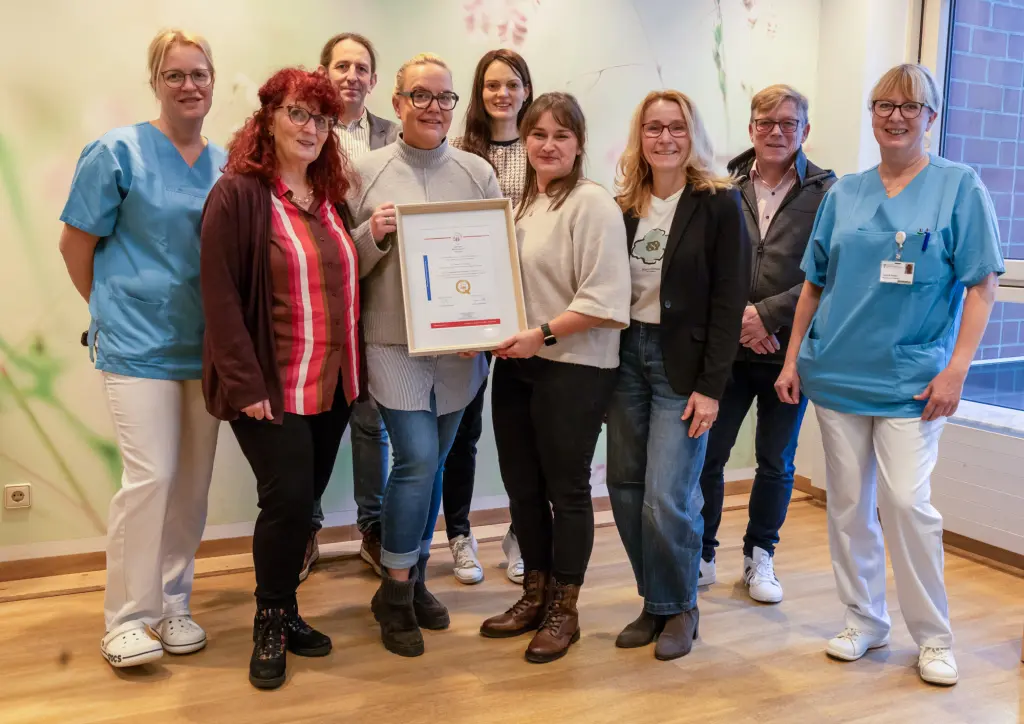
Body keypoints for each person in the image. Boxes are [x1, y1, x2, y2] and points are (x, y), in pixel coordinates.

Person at [775, 64, 1003, 687]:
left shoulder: (960, 187)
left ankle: (932, 637)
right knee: (848, 506)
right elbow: (813, 286)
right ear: (871, 116)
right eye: (883, 105)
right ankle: (863, 620)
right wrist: (794, 359)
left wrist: (957, 371)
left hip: (912, 382)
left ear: (931, 117)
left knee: (907, 504)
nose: (895, 116)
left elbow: (983, 285)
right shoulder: (844, 194)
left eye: (910, 106)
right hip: (838, 375)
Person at [58, 29, 224, 670]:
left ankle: (173, 603)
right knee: (149, 477)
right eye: (175, 74)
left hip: (205, 347)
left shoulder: (228, 163)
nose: (189, 85)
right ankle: (128, 618)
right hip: (136, 346)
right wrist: (111, 312)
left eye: (200, 74)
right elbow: (76, 247)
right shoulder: (116, 151)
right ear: (155, 81)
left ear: (213, 82)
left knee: (191, 485)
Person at [200, 68, 360, 690]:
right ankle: (270, 615)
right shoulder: (238, 195)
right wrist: (246, 387)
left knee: (303, 506)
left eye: (321, 119)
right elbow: (218, 299)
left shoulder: (329, 198)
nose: (310, 128)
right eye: (298, 113)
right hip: (271, 387)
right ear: (268, 117)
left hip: (331, 384)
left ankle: (289, 610)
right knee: (286, 499)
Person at [347, 53, 502, 657]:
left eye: (444, 97)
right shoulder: (364, 172)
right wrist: (374, 234)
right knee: (414, 458)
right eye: (421, 96)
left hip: (460, 349)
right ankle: (394, 586)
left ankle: (408, 581)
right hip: (392, 341)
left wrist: (488, 325)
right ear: (397, 102)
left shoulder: (476, 173)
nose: (433, 108)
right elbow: (343, 269)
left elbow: (496, 263)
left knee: (435, 463)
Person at [479, 92, 631, 663]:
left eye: (560, 135)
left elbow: (605, 298)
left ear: (579, 144)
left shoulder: (592, 205)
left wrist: (539, 334)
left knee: (566, 492)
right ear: (523, 140)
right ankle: (534, 595)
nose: (547, 145)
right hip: (519, 366)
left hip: (574, 368)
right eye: (537, 134)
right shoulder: (521, 206)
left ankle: (564, 608)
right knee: (522, 486)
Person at [606, 91, 748, 661]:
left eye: (676, 128)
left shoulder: (717, 202)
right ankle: (655, 602)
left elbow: (729, 299)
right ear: (639, 136)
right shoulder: (623, 205)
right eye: (654, 128)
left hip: (682, 368)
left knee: (666, 496)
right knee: (624, 489)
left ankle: (683, 605)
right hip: (625, 360)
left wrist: (711, 387)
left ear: (692, 136)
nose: (665, 138)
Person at [698, 85, 836, 603]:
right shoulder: (720, 186)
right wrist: (739, 320)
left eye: (787, 122)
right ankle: (704, 552)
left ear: (804, 130)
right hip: (727, 352)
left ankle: (761, 557)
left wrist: (769, 315)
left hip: (789, 354)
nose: (776, 131)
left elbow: (831, 272)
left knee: (776, 461)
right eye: (765, 121)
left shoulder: (828, 193)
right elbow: (706, 263)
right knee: (708, 457)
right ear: (751, 126)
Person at [300, 32, 399, 581]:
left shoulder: (396, 134)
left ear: (374, 81)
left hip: (376, 286)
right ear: (323, 72)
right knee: (313, 414)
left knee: (371, 418)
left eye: (362, 67)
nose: (352, 76)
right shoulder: (303, 128)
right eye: (342, 65)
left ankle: (373, 529)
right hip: (316, 290)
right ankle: (305, 529)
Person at [444, 48, 533, 586]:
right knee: (464, 430)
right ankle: (459, 534)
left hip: (531, 307)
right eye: (492, 85)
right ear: (479, 94)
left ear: (527, 89)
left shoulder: (543, 146)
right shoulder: (457, 150)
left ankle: (521, 535)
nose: (502, 94)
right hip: (473, 306)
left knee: (524, 429)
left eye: (513, 84)